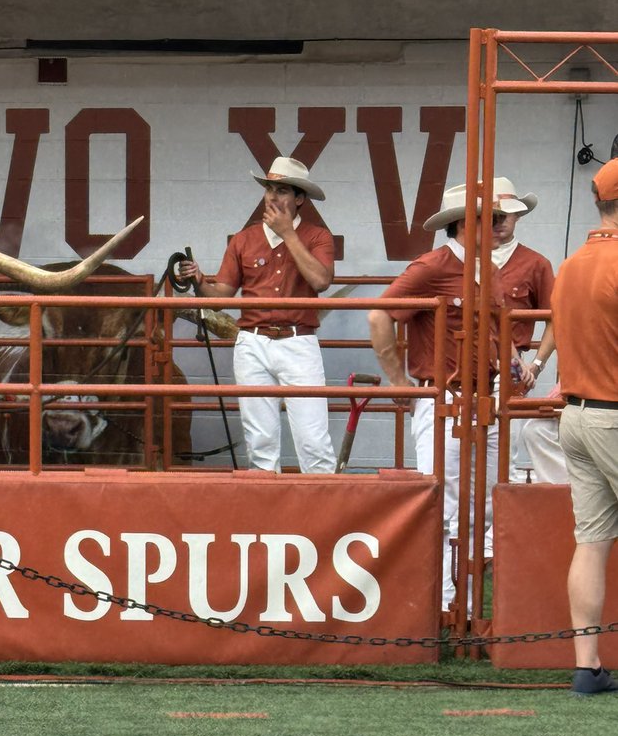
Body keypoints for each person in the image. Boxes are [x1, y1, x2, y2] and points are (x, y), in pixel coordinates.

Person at [368, 182, 534, 608]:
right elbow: (378, 315)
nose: (501, 226)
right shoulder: (433, 266)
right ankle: (444, 603)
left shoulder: (485, 269)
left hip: (482, 395)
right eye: (493, 219)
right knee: (445, 502)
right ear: (466, 224)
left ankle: (464, 600)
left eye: (499, 219)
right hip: (445, 395)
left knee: (484, 502)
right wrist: (399, 382)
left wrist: (517, 369)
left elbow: (499, 331)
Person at [177, 157, 336, 474]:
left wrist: (288, 234)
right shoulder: (243, 239)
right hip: (252, 342)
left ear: (299, 198)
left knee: (314, 442)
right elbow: (220, 298)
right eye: (269, 189)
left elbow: (321, 281)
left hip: (298, 340)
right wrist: (199, 282)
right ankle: (269, 518)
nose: (273, 197)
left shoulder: (318, 236)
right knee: (260, 445)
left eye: (282, 190)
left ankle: (323, 519)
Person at [549, 157, 618, 697]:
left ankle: (587, 667)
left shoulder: (571, 263)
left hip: (575, 413)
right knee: (591, 541)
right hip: (613, 416)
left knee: (591, 541)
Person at [488, 176, 559, 480]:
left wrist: (537, 365)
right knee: (461, 455)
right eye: (494, 215)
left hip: (511, 368)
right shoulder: (464, 259)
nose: (501, 221)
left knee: (506, 457)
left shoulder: (536, 264)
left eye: (507, 214)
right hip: (463, 368)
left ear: (518, 216)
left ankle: (502, 525)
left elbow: (555, 318)